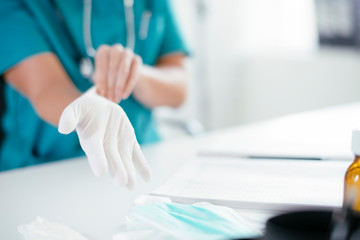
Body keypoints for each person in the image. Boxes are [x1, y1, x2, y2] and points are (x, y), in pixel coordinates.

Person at [0, 0, 189, 188]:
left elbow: (178, 87)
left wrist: (135, 73)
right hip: (44, 173)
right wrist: (85, 110)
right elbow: (46, 87)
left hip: (144, 156)